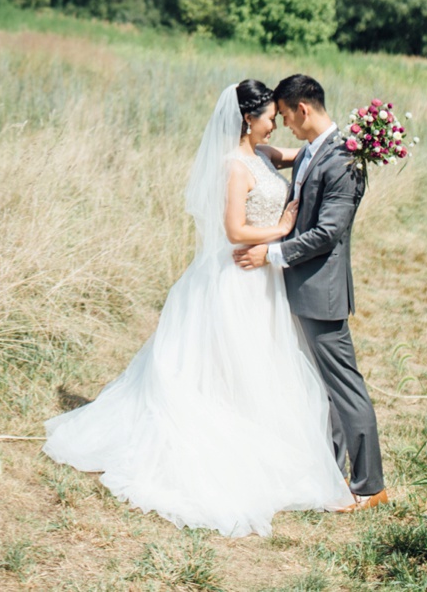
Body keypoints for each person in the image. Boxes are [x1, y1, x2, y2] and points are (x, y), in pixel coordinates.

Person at [42, 79, 353, 534]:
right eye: (271, 117)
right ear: (249, 119)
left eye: (281, 116)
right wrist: (282, 228)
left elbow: (311, 152)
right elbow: (234, 231)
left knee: (263, 363)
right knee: (232, 365)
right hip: (240, 276)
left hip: (265, 279)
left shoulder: (264, 156)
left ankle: (258, 443)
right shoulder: (233, 166)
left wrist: (359, 143)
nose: (277, 124)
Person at [235, 73, 389, 508]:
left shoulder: (343, 161)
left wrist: (271, 254)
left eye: (285, 115)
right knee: (323, 387)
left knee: (344, 387)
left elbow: (327, 233)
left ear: (302, 110)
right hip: (301, 288)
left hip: (321, 291)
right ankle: (333, 470)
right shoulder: (313, 151)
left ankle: (370, 486)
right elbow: (276, 157)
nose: (283, 124)